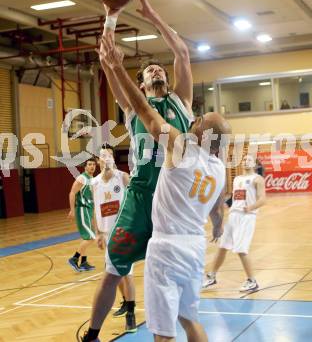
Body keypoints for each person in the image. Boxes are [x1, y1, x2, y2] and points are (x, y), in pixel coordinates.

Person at [98, 34, 231, 342]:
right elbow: (217, 207)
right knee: (190, 321)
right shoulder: (219, 168)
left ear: (198, 131)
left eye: (198, 122)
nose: (194, 121)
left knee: (163, 331)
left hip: (167, 242)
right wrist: (218, 220)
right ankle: (115, 312)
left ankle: (123, 309)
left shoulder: (181, 145)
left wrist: (114, 65)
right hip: (194, 244)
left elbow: (148, 114)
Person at [81, 0, 193, 342]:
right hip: (142, 199)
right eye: (147, 71)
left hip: (174, 202)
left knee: (176, 279)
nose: (156, 68)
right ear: (141, 87)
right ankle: (93, 335)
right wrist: (111, 16)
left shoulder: (182, 101)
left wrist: (152, 15)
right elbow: (107, 60)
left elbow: (182, 52)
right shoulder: (131, 108)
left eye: (158, 67)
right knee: (113, 270)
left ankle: (173, 331)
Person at [202, 154, 266, 292]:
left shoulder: (257, 179)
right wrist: (223, 205)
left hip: (247, 216)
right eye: (244, 159)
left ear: (255, 165)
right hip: (233, 215)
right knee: (223, 246)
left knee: (241, 249)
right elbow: (234, 198)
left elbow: (262, 200)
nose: (246, 161)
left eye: (249, 159)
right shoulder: (237, 179)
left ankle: (252, 281)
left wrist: (250, 207)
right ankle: (211, 276)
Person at [92, 146, 136, 319]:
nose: (106, 158)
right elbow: (96, 209)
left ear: (113, 159)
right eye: (103, 156)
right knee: (112, 272)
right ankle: (126, 301)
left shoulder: (123, 177)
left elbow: (135, 202)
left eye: (109, 155)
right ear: (98, 161)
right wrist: (98, 233)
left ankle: (131, 314)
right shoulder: (94, 183)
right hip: (107, 234)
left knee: (127, 273)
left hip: (124, 232)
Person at [68, 157, 97, 272]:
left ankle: (84, 262)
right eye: (89, 164)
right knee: (91, 237)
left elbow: (92, 198)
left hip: (88, 210)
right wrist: (72, 210)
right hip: (82, 209)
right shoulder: (82, 178)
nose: (92, 166)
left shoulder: (92, 179)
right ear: (85, 167)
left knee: (87, 237)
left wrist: (94, 214)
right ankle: (74, 258)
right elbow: (72, 193)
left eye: (94, 165)